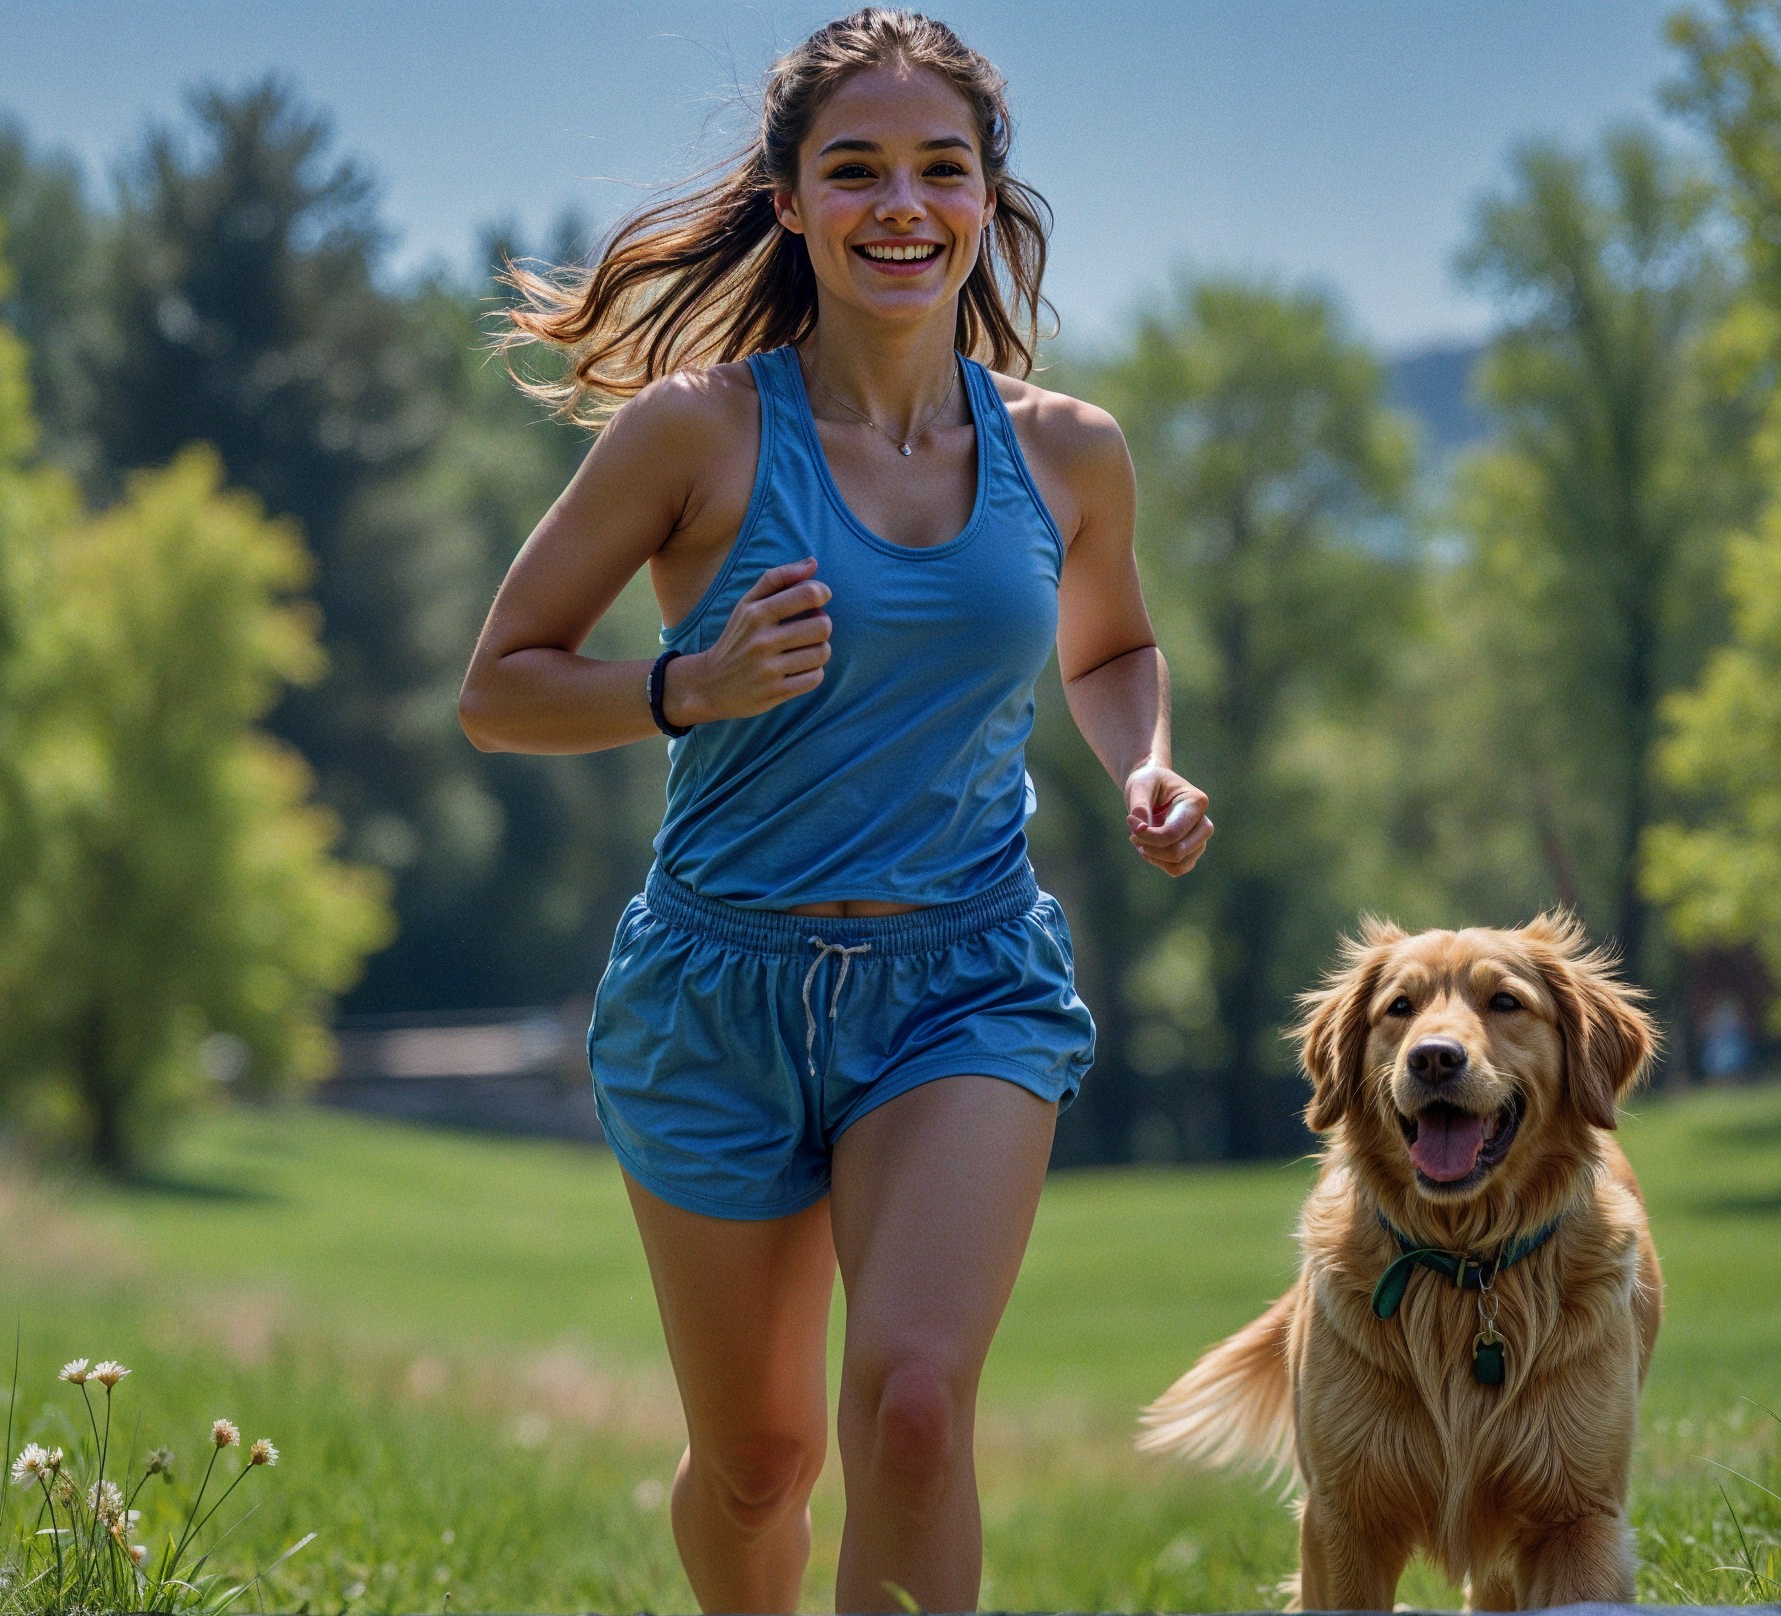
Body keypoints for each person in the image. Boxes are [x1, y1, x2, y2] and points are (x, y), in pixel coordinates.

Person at [458, 10, 1212, 1611]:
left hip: (965, 982)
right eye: (855, 169)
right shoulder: (698, 434)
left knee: (920, 1414)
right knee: (759, 1470)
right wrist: (684, 688)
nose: (902, 205)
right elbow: (500, 685)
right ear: (791, 200)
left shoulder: (1067, 453)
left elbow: (1117, 646)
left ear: (988, 200)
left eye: (942, 169)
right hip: (716, 996)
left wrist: (1141, 756)